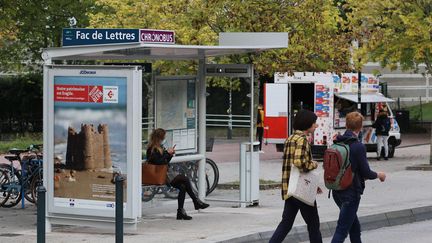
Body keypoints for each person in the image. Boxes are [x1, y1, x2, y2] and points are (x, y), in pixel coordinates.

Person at [331, 112, 386, 243]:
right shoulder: (358, 146)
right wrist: (379, 175)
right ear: (360, 127)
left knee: (354, 227)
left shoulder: (337, 142)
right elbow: (366, 172)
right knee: (342, 230)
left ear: (347, 125)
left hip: (336, 190)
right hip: (350, 192)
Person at [269, 109, 323, 243]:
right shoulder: (302, 140)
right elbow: (299, 162)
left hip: (290, 188)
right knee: (314, 224)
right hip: (301, 189)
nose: (315, 126)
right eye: (314, 123)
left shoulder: (290, 138)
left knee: (286, 223)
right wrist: (313, 164)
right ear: (308, 124)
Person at [146, 128, 209, 220]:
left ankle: (181, 211)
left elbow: (165, 161)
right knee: (185, 179)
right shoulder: (152, 149)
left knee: (183, 187)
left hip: (165, 173)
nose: (164, 139)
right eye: (163, 137)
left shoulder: (160, 147)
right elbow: (159, 162)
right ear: (159, 138)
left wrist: (170, 154)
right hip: (160, 175)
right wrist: (168, 153)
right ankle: (196, 202)